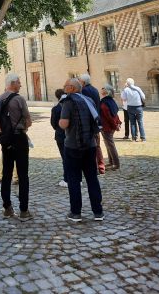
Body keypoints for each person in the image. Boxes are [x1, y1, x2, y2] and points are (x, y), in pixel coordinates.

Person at [59, 78, 103, 222]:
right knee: (92, 179)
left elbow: (64, 124)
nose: (64, 87)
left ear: (71, 88)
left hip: (73, 146)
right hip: (90, 145)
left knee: (74, 179)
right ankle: (98, 212)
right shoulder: (88, 100)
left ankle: (76, 213)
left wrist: (59, 122)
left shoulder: (68, 101)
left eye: (65, 85)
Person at [0, 73, 33, 221]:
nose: (20, 85)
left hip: (5, 140)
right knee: (23, 174)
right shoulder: (19, 99)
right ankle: (24, 210)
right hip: (19, 138)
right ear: (12, 84)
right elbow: (28, 120)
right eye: (18, 82)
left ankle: (7, 208)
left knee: (6, 174)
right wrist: (23, 127)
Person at [79, 73, 105, 175]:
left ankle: (93, 168)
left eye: (80, 81)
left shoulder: (84, 90)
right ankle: (101, 166)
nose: (79, 83)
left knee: (91, 146)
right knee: (97, 145)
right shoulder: (94, 89)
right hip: (96, 120)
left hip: (89, 121)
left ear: (83, 82)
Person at [100, 85, 121, 170]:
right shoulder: (110, 101)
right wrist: (117, 123)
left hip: (107, 126)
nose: (101, 90)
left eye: (103, 88)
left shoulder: (105, 102)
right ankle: (111, 161)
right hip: (108, 126)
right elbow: (114, 114)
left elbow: (110, 116)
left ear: (107, 92)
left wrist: (116, 125)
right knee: (108, 144)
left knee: (110, 145)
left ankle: (116, 163)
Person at [50, 88, 67, 187]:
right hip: (71, 135)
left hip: (61, 135)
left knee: (65, 158)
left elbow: (53, 123)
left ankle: (67, 179)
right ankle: (76, 178)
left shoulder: (56, 109)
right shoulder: (71, 105)